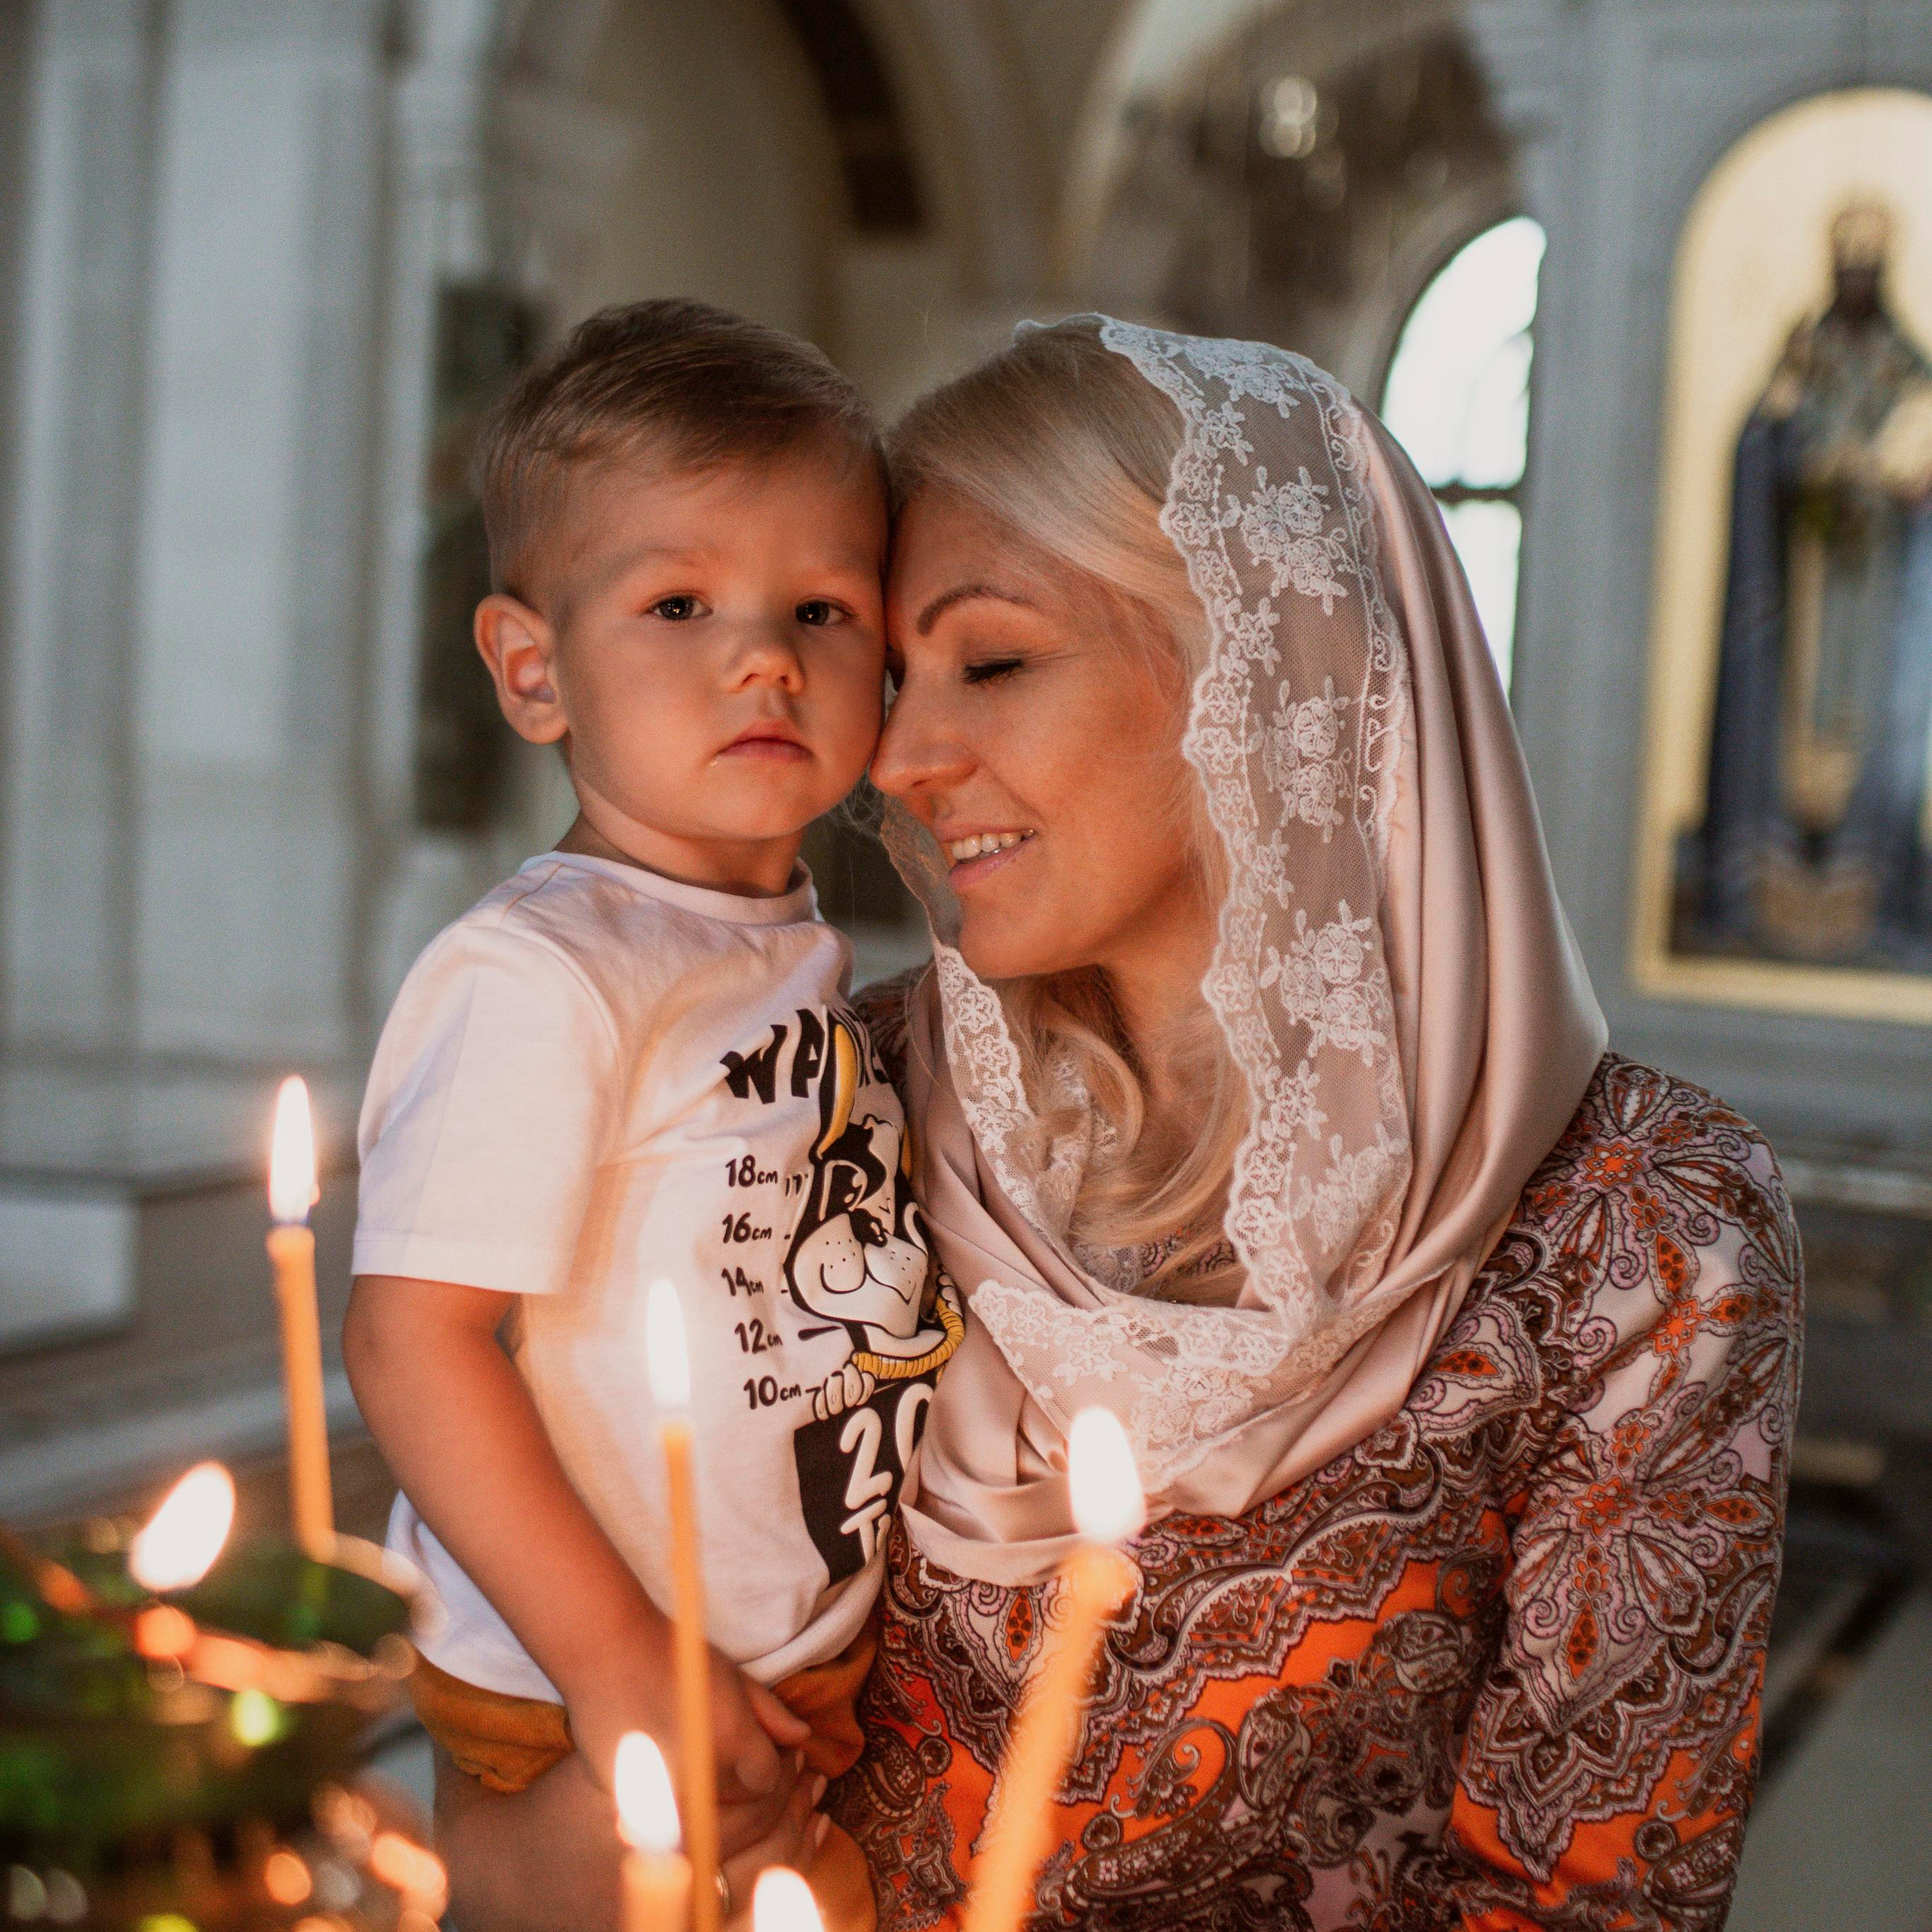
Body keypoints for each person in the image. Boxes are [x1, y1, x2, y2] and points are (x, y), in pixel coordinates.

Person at [433, 315, 1801, 1931]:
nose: (896, 758)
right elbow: (545, 1706)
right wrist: (560, 1845)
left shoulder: (1640, 1232)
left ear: (1275, 658)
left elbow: (1588, 1911)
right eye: (891, 669)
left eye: (990, 658)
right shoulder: (816, 1097)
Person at [343, 300, 961, 1931]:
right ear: (532, 669)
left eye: (820, 607)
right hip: (594, 1684)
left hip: (782, 1672)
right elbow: (414, 1340)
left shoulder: (780, 948)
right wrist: (624, 1664)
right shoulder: (540, 974)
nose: (763, 654)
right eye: (677, 600)